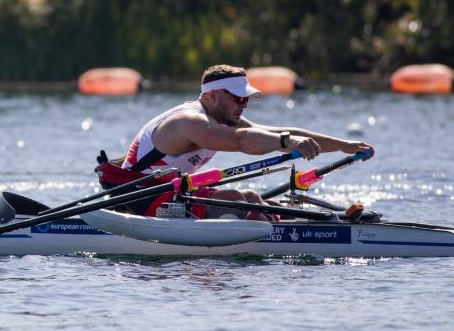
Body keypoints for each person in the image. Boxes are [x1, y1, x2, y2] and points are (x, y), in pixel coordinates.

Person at [104, 64, 374, 218]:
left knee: (252, 199)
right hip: (139, 198)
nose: (243, 104)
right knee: (239, 199)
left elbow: (278, 131)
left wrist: (342, 145)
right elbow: (241, 142)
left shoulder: (221, 118)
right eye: (236, 97)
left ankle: (320, 222)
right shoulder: (190, 121)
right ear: (211, 96)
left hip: (171, 194)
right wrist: (287, 143)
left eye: (245, 98)